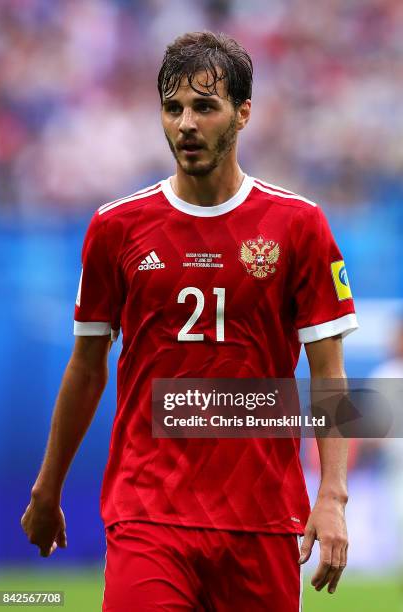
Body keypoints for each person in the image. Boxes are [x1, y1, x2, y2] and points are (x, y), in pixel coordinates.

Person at [21, 31, 358, 611]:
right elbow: (86, 370)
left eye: (204, 106)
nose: (185, 124)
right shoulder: (116, 228)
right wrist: (47, 486)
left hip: (262, 515)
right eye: (173, 108)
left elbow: (329, 377)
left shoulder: (299, 226)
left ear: (243, 113)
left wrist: (331, 496)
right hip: (149, 513)